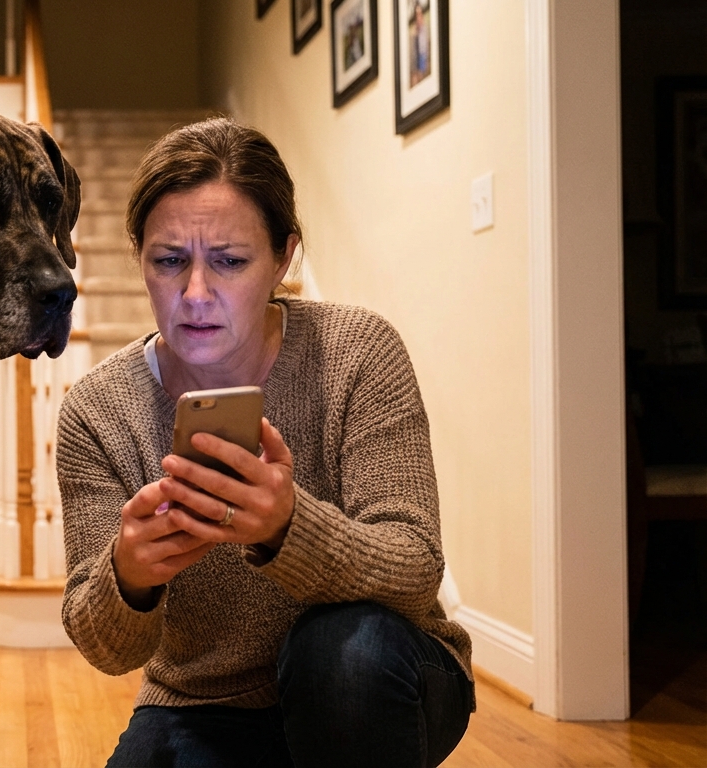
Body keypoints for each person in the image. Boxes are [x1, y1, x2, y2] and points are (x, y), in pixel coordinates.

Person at [56, 118, 473, 768]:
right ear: (138, 256)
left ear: (283, 258)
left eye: (229, 261)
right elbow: (105, 648)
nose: (195, 295)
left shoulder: (355, 353)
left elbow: (417, 568)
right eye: (169, 261)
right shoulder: (97, 410)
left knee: (337, 654)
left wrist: (287, 527)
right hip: (201, 701)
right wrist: (130, 576)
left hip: (380, 674)